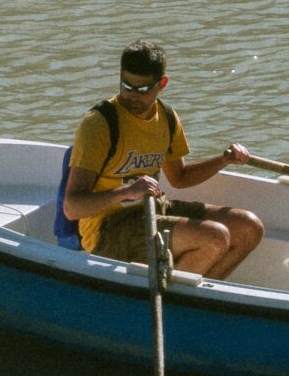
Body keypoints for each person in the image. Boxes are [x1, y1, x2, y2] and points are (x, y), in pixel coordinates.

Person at [57, 41, 265, 279]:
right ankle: (175, 301)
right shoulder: (98, 124)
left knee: (249, 227)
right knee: (214, 237)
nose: (133, 96)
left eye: (143, 90)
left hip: (153, 210)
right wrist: (124, 192)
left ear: (162, 84)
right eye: (127, 86)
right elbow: (71, 208)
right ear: (120, 77)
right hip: (108, 228)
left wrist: (223, 160)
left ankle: (190, 298)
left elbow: (180, 178)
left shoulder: (166, 118)